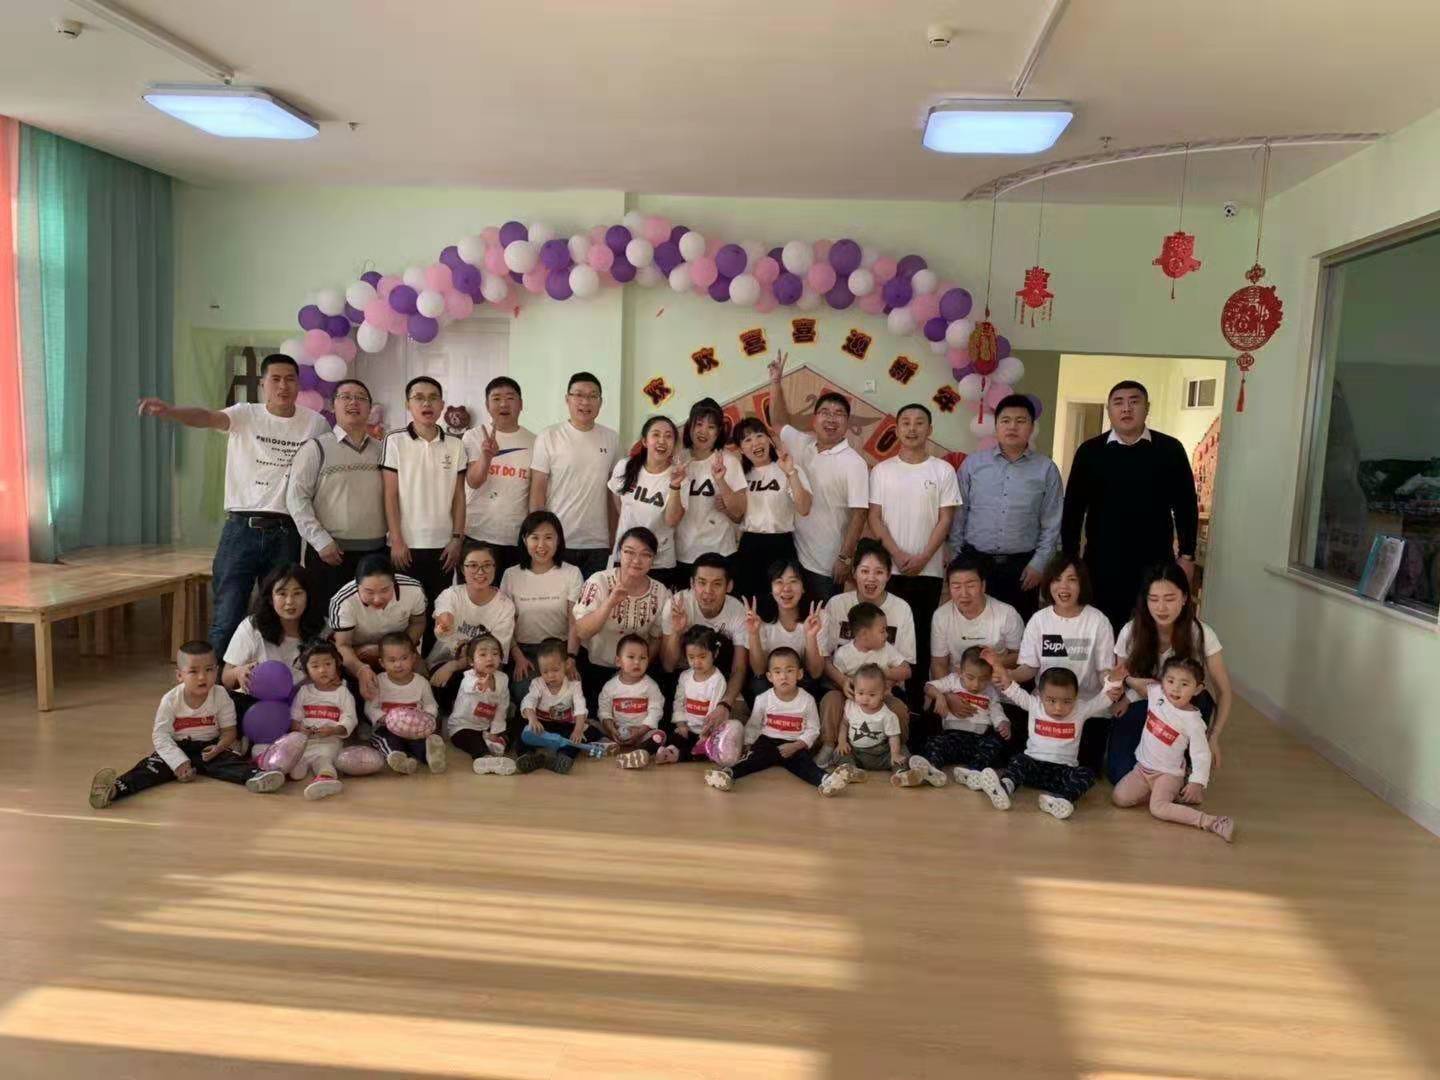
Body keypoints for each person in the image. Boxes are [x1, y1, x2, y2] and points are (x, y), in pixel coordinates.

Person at [138, 353, 329, 656]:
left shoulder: (315, 423)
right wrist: (172, 412)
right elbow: (206, 417)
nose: (283, 386)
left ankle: (271, 677)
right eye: (276, 379)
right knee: (228, 614)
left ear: (298, 384)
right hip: (241, 530)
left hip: (286, 531)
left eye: (290, 379)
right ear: (263, 384)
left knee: (281, 614)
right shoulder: (246, 414)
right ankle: (216, 680)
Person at [1061, 380, 1200, 630]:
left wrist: (1187, 556)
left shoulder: (1169, 450)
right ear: (1109, 410)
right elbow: (1073, 510)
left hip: (1156, 563)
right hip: (1101, 564)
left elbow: (1186, 506)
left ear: (1147, 408)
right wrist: (1071, 560)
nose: (1126, 408)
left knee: (1152, 631)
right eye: (1118, 403)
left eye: (1134, 402)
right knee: (1103, 630)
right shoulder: (1090, 452)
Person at [87, 641, 285, 808]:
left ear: (216, 671)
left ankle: (258, 777)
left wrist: (218, 748)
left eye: (209, 670)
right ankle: (113, 790)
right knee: (149, 768)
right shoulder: (170, 700)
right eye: (193, 671)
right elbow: (160, 736)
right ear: (179, 675)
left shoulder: (221, 695)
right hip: (176, 746)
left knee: (229, 762)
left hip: (209, 748)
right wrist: (178, 762)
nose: (202, 677)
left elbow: (229, 731)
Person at [867, 402, 961, 713]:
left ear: (929, 430)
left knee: (920, 640)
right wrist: (896, 554)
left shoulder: (943, 470)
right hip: (888, 573)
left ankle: (917, 711)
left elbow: (945, 520)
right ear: (896, 429)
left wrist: (922, 557)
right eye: (905, 422)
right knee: (885, 638)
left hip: (928, 571)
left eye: (919, 422)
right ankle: (882, 704)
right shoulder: (882, 470)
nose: (912, 428)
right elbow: (874, 518)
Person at [1107, 561, 1233, 783]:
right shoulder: (1131, 631)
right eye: (1154, 599)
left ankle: (1183, 762)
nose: (1161, 608)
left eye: (1169, 598)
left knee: (1201, 699)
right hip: (1141, 703)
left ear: (1184, 598)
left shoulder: (1201, 634)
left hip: (1182, 710)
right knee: (1120, 775)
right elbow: (1120, 675)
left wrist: (1213, 737)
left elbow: (1224, 692)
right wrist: (1133, 683)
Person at [948, 393, 1062, 620]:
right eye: (1006, 420)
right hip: (975, 563)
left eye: (1021, 421)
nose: (1012, 427)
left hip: (1023, 567)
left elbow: (1052, 521)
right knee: (973, 625)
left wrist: (1039, 564)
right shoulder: (973, 464)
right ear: (996, 426)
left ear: (1031, 427)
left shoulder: (1046, 469)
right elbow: (959, 513)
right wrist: (957, 556)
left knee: (1018, 628)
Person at [768, 351, 870, 600]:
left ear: (847, 423)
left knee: (823, 618)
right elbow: (778, 422)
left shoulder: (854, 463)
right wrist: (775, 382)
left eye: (839, 414)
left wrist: (845, 557)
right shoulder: (802, 444)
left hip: (827, 564)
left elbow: (860, 514)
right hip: (794, 558)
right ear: (814, 420)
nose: (831, 418)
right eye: (825, 412)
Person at [286, 377, 387, 616]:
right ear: (333, 405)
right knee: (329, 620)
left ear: (370, 408)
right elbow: (296, 499)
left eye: (361, 398)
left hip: (376, 554)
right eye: (346, 397)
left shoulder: (383, 450)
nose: (354, 402)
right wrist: (320, 541)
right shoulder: (316, 448)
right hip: (330, 554)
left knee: (373, 620)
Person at [973, 663, 1124, 820]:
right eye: (1051, 700)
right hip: (1033, 767)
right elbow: (1013, 690)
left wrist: (1114, 680)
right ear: (1040, 695)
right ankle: (1004, 787)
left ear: (1076, 697)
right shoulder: (1034, 704)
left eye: (1067, 701)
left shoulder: (1081, 709)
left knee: (1087, 773)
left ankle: (1061, 800)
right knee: (1019, 760)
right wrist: (1000, 670)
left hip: (1062, 773)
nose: (1058, 707)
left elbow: (1104, 698)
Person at [1112, 657, 1236, 842]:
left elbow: (1201, 754)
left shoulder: (1193, 721)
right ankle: (1172, 794)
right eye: (1170, 681)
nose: (1175, 688)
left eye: (1184, 684)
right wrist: (1125, 699)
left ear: (1197, 689)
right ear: (1162, 682)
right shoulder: (1157, 692)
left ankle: (1210, 821)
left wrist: (1197, 782)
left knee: (1158, 808)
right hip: (1142, 769)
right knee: (1120, 798)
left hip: (1168, 774)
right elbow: (1143, 691)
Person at [1011, 554, 1116, 766]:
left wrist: (1114, 683)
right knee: (1035, 762)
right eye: (1057, 579)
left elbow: (1104, 671)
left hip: (1088, 711)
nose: (1063, 586)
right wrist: (1005, 675)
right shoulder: (1039, 620)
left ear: (1082, 584)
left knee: (1085, 768)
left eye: (1072, 579)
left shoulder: (1098, 621)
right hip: (1047, 709)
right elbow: (1029, 668)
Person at [703, 647, 848, 796]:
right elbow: (754, 725)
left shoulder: (807, 700)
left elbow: (813, 729)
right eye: (777, 672)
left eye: (789, 671)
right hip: (767, 741)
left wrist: (796, 745)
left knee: (805, 765)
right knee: (751, 759)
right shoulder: (763, 699)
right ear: (770, 676)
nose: (783, 676)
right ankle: (727, 774)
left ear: (799, 674)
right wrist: (747, 744)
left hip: (794, 743)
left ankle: (825, 780)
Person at [381, 376, 466, 610]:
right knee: (405, 612)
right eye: (419, 398)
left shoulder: (456, 445)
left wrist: (457, 539)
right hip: (405, 545)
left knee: (439, 612)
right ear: (408, 404)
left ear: (442, 405)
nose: (426, 403)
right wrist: (396, 539)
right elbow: (389, 495)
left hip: (444, 547)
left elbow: (459, 496)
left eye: (433, 398)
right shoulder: (394, 440)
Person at [530, 371, 621, 579]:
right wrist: (538, 538)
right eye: (579, 395)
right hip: (558, 540)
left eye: (592, 396)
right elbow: (537, 490)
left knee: (594, 598)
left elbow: (614, 494)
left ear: (600, 402)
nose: (585, 402)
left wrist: (615, 535)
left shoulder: (612, 439)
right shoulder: (549, 436)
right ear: (567, 399)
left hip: (597, 543)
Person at [573, 526, 672, 708]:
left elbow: (656, 638)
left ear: (653, 559)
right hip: (597, 668)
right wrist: (609, 602)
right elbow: (581, 631)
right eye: (629, 552)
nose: (636, 560)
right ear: (619, 553)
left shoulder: (660, 592)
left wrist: (636, 668)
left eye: (645, 554)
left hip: (637, 674)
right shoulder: (599, 581)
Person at [500, 511, 583, 704]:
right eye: (534, 538)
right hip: (524, 652)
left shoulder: (572, 573)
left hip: (559, 650)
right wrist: (518, 657)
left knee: (565, 700)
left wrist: (570, 658)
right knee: (528, 696)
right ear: (524, 540)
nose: (541, 545)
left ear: (558, 540)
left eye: (548, 538)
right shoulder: (511, 575)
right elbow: (505, 623)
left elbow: (574, 622)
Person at [659, 553, 749, 723]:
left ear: (729, 586)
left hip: (719, 674)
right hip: (682, 675)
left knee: (738, 717)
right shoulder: (677, 604)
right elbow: (668, 666)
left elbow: (739, 668)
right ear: (692, 583)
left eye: (717, 584)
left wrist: (725, 705)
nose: (708, 591)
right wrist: (677, 632)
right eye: (701, 582)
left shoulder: (737, 610)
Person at [905, 645, 1011, 789]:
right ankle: (931, 770)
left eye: (983, 679)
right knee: (935, 743)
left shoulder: (990, 691)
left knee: (994, 745)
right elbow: (928, 686)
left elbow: (997, 711)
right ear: (960, 671)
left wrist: (1003, 723)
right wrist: (940, 696)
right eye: (970, 677)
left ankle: (973, 774)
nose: (976, 685)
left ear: (990, 676)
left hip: (978, 740)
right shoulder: (952, 681)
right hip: (952, 737)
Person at [732, 416, 811, 603]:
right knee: (749, 603)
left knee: (782, 602)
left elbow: (804, 508)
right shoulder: (740, 475)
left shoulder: (788, 468)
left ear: (769, 439)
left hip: (781, 544)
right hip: (749, 545)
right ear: (741, 449)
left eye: (760, 436)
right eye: (747, 440)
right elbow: (736, 515)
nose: (755, 443)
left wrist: (790, 472)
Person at [819, 602, 912, 761]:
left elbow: (907, 671)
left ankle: (900, 746)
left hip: (879, 699)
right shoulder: (844, 654)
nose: (886, 635)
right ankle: (829, 744)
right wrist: (844, 685)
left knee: (898, 707)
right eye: (882, 631)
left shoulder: (886, 649)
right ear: (864, 634)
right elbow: (833, 679)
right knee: (830, 699)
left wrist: (885, 673)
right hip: (852, 700)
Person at [463, 376, 535, 581]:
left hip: (515, 538)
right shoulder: (473, 436)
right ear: (487, 405)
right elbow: (473, 481)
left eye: (510, 398)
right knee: (476, 594)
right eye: (496, 399)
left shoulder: (535, 442)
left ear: (521, 404)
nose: (503, 404)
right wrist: (486, 456)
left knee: (511, 597)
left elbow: (535, 492)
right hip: (476, 535)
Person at [328, 554, 428, 702]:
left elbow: (418, 622)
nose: (377, 599)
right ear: (357, 585)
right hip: (359, 651)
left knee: (422, 679)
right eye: (369, 592)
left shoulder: (413, 589)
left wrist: (397, 650)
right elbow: (342, 645)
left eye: (385, 590)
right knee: (357, 696)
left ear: (394, 582)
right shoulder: (343, 601)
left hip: (399, 647)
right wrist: (360, 670)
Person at [607, 415, 685, 588]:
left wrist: (675, 485)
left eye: (668, 436)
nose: (662, 441)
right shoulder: (625, 466)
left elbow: (672, 520)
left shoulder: (679, 475)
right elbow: (617, 503)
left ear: (674, 444)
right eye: (656, 434)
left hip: (660, 562)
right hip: (625, 558)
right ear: (644, 441)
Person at [222, 563, 322, 696]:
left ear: (308, 596)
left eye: (297, 593)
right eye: (282, 594)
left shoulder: (323, 628)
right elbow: (226, 678)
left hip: (307, 702)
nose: (290, 601)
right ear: (270, 598)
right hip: (259, 702)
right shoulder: (252, 626)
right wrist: (239, 672)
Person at [674, 398, 747, 578]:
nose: (703, 431)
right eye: (699, 424)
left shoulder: (729, 461)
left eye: (711, 427)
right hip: (683, 552)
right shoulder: (678, 460)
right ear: (690, 426)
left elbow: (739, 512)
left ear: (719, 431)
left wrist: (720, 481)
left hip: (720, 551)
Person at [742, 561, 828, 702]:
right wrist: (753, 633)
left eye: (793, 581)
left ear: (803, 587)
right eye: (779, 582)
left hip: (802, 679)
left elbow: (815, 673)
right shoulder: (759, 618)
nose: (786, 588)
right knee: (759, 684)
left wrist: (810, 636)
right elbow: (759, 671)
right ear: (771, 589)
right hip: (771, 680)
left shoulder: (818, 616)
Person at [284, 641, 360, 801]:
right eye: (315, 666)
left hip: (329, 741)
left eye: (327, 664)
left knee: (323, 759)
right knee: (296, 765)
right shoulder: (304, 691)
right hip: (305, 741)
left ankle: (326, 778)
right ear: (307, 670)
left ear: (336, 664)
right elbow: (294, 717)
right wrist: (300, 728)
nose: (322, 670)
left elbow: (350, 718)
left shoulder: (342, 693)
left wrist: (334, 730)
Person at [823, 539, 917, 665]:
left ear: (888, 575)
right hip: (841, 676)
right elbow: (825, 657)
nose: (871, 578)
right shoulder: (836, 604)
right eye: (864, 571)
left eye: (879, 572)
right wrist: (842, 678)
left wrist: (876, 677)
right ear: (854, 572)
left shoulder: (902, 609)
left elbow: (906, 665)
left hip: (884, 677)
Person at [366, 632, 444, 775]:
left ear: (413, 658)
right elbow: (370, 707)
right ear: (382, 663)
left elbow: (431, 704)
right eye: (392, 660)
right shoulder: (378, 681)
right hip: (386, 728)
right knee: (387, 741)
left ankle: (432, 757)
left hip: (414, 730)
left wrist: (427, 717)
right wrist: (383, 718)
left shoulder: (421, 682)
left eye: (404, 658)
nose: (398, 664)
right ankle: (399, 760)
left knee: (420, 743)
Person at [428, 541, 517, 668]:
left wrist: (455, 666)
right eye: (473, 565)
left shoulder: (505, 606)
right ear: (462, 569)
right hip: (442, 662)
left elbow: (498, 654)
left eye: (487, 565)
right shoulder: (451, 595)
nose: (480, 572)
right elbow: (443, 620)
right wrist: (444, 624)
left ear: (495, 567)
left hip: (484, 668)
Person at [665, 625, 744, 766]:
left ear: (715, 653)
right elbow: (679, 702)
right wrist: (681, 724)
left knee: (702, 749)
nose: (696, 662)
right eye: (691, 657)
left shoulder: (717, 680)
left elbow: (714, 713)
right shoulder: (685, 676)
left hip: (707, 731)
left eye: (702, 657)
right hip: (688, 728)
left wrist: (705, 735)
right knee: (674, 738)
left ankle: (679, 755)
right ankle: (668, 751)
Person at [445, 633, 517, 776]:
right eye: (483, 654)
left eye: (495, 654)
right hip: (464, 726)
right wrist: (481, 685)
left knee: (514, 727)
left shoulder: (503, 679)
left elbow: (501, 707)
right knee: (471, 740)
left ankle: (497, 744)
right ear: (471, 661)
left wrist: (495, 731)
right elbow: (473, 687)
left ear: (501, 658)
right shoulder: (468, 678)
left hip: (487, 727)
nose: (490, 658)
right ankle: (484, 758)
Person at [516, 637, 590, 775]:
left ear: (566, 665)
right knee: (522, 733)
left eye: (555, 670)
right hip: (541, 724)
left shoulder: (574, 685)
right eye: (545, 672)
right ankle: (528, 756)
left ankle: (562, 758)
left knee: (573, 740)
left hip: (563, 725)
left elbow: (580, 708)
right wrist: (533, 719)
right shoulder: (537, 683)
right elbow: (529, 701)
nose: (550, 675)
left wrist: (578, 730)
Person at [598, 635, 666, 768]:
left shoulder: (651, 686)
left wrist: (640, 732)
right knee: (590, 725)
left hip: (642, 734)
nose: (637, 662)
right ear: (618, 661)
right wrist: (611, 729)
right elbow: (604, 711)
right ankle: (609, 744)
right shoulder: (610, 686)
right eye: (631, 657)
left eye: (642, 658)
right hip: (615, 733)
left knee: (659, 736)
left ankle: (641, 753)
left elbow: (655, 712)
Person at [832, 663, 906, 781]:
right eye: (860, 693)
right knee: (838, 753)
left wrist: (895, 754)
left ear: (883, 693)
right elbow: (844, 724)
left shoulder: (887, 715)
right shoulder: (851, 706)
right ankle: (851, 771)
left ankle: (901, 774)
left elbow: (893, 737)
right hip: (855, 753)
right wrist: (842, 742)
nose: (865, 699)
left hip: (879, 754)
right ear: (854, 690)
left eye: (872, 695)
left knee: (902, 752)